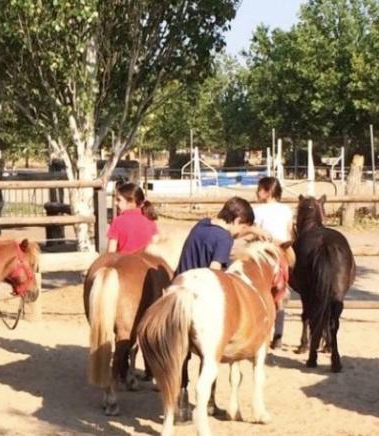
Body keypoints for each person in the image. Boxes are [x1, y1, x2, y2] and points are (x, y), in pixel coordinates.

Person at [174, 196, 258, 422]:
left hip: (177, 292)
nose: (240, 233)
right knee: (210, 351)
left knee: (181, 352)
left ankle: (179, 400)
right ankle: (208, 401)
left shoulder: (201, 225)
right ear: (238, 219)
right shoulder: (224, 239)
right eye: (242, 227)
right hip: (202, 296)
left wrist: (252, 233)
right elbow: (215, 272)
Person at [254, 176, 294, 349]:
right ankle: (278, 333)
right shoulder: (286, 210)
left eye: (260, 189)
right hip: (283, 251)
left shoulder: (258, 210)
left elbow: (255, 234)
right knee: (281, 290)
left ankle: (261, 332)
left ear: (268, 192)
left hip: (265, 250)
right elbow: (290, 232)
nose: (257, 192)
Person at [107, 182, 158, 254]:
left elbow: (110, 253)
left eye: (119, 200)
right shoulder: (150, 220)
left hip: (123, 263)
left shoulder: (117, 222)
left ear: (131, 202)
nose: (115, 203)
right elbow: (155, 244)